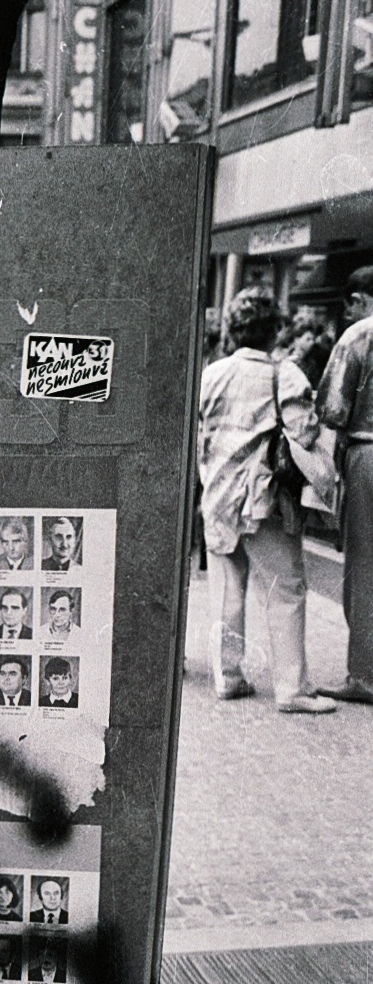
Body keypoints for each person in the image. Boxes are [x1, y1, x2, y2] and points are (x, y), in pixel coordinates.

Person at [199, 285, 336, 713]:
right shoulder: (286, 374)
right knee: (286, 589)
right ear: (274, 330)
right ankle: (291, 689)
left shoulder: (211, 373)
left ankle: (229, 677)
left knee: (227, 589)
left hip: (218, 495)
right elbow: (305, 434)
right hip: (264, 498)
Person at [316, 267, 373, 704]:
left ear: (361, 300)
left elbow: (332, 409)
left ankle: (365, 674)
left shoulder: (358, 337)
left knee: (365, 565)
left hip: (367, 454)